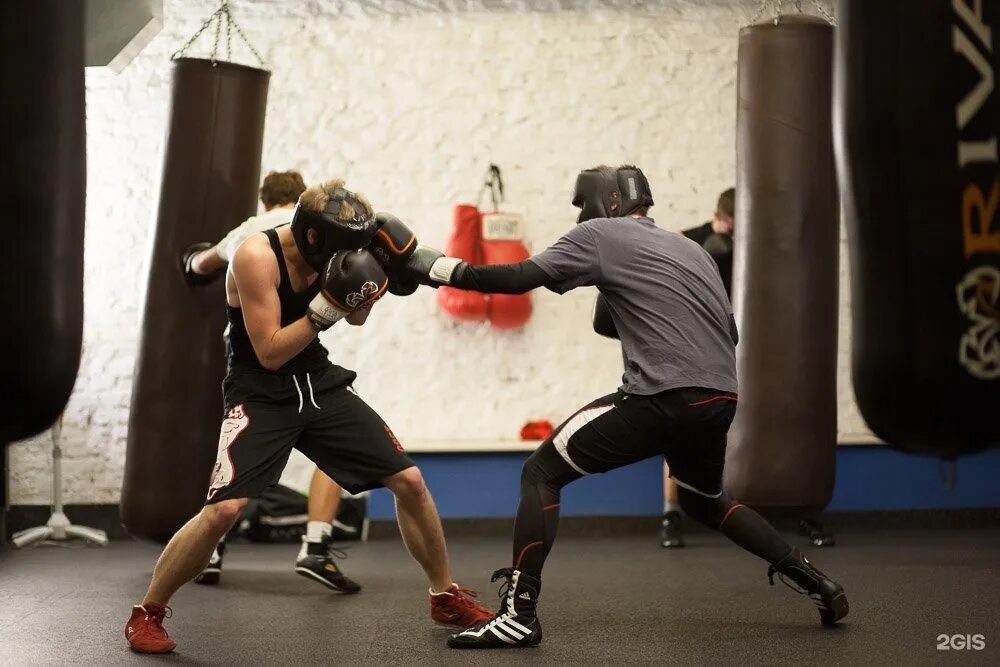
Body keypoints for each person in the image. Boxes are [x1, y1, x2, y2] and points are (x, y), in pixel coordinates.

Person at [403, 165, 848, 649]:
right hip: (720, 396)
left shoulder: (599, 233)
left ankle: (518, 616)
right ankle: (815, 581)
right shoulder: (691, 250)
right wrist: (610, 289)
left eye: (581, 205)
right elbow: (716, 331)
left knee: (540, 472)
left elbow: (514, 278)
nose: (578, 215)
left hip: (664, 395)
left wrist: (431, 267)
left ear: (608, 203)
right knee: (702, 499)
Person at [125, 179, 492, 654]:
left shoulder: (337, 249)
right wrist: (325, 308)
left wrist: (369, 282)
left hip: (318, 381)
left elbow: (354, 316)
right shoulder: (256, 257)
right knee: (223, 511)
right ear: (313, 236)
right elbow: (271, 353)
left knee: (411, 482)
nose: (346, 256)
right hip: (260, 391)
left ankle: (444, 594)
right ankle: (147, 611)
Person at [182, 170, 361, 593]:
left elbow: (204, 263)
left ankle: (213, 550)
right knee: (334, 442)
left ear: (265, 203)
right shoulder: (322, 235)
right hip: (305, 341)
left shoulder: (249, 231)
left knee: (234, 444)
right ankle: (316, 546)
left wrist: (190, 261)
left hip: (249, 353)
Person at [657, 187, 736, 548]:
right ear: (720, 218)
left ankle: (788, 511)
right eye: (731, 229)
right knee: (677, 431)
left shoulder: (753, 246)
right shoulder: (688, 244)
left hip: (733, 347)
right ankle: (671, 515)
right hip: (687, 350)